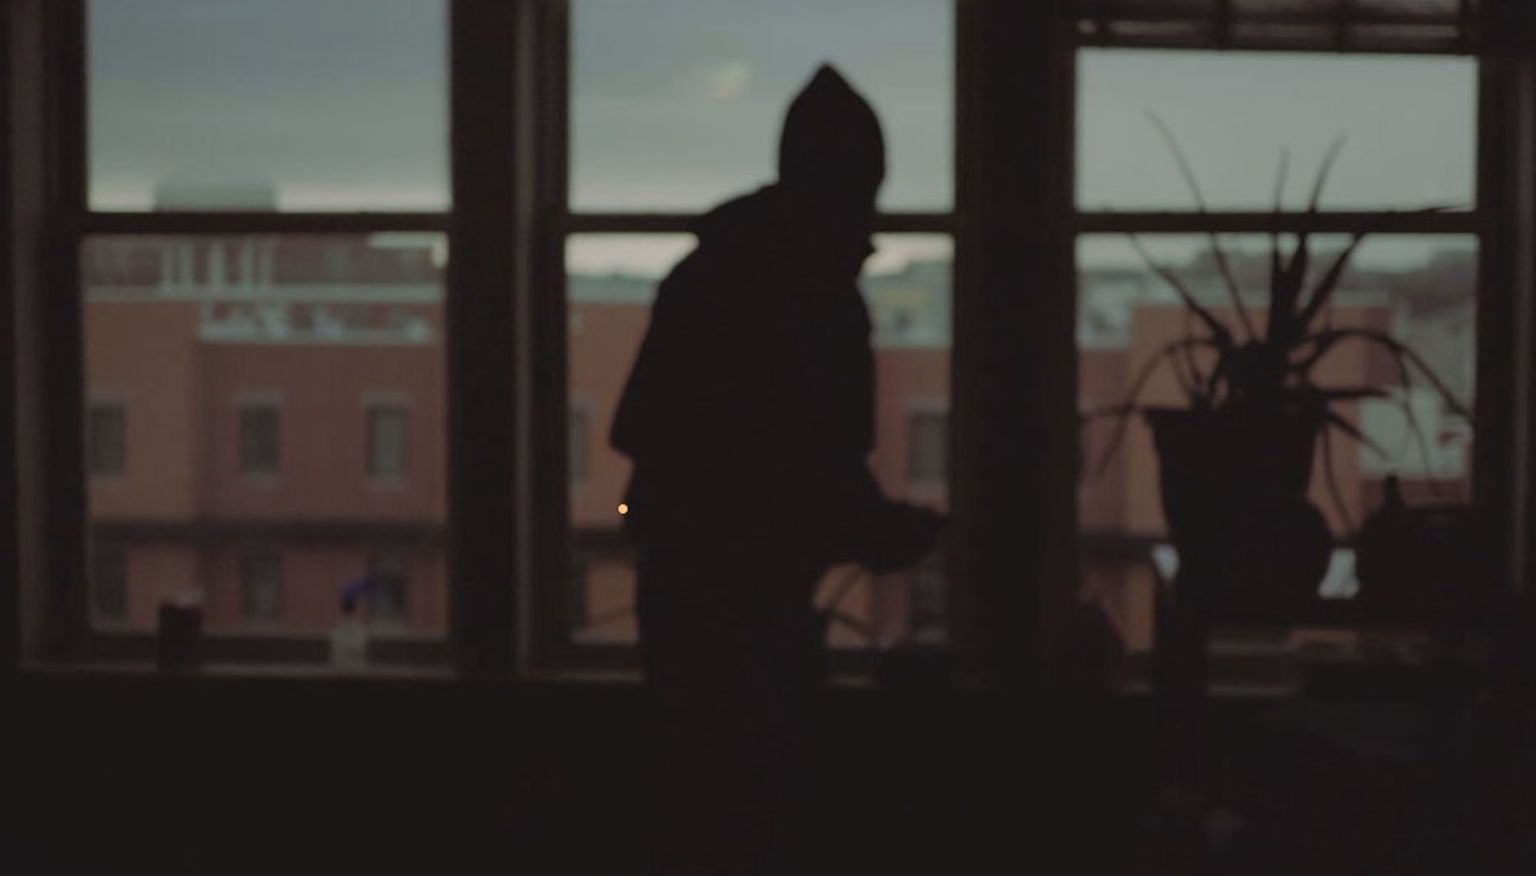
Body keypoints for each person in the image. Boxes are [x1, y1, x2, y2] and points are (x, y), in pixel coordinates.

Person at [610, 64, 944, 873]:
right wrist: (884, 532)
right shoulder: (820, 302)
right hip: (755, 622)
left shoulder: (706, 276)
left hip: (681, 606)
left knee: (699, 814)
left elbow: (640, 431)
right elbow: (819, 472)